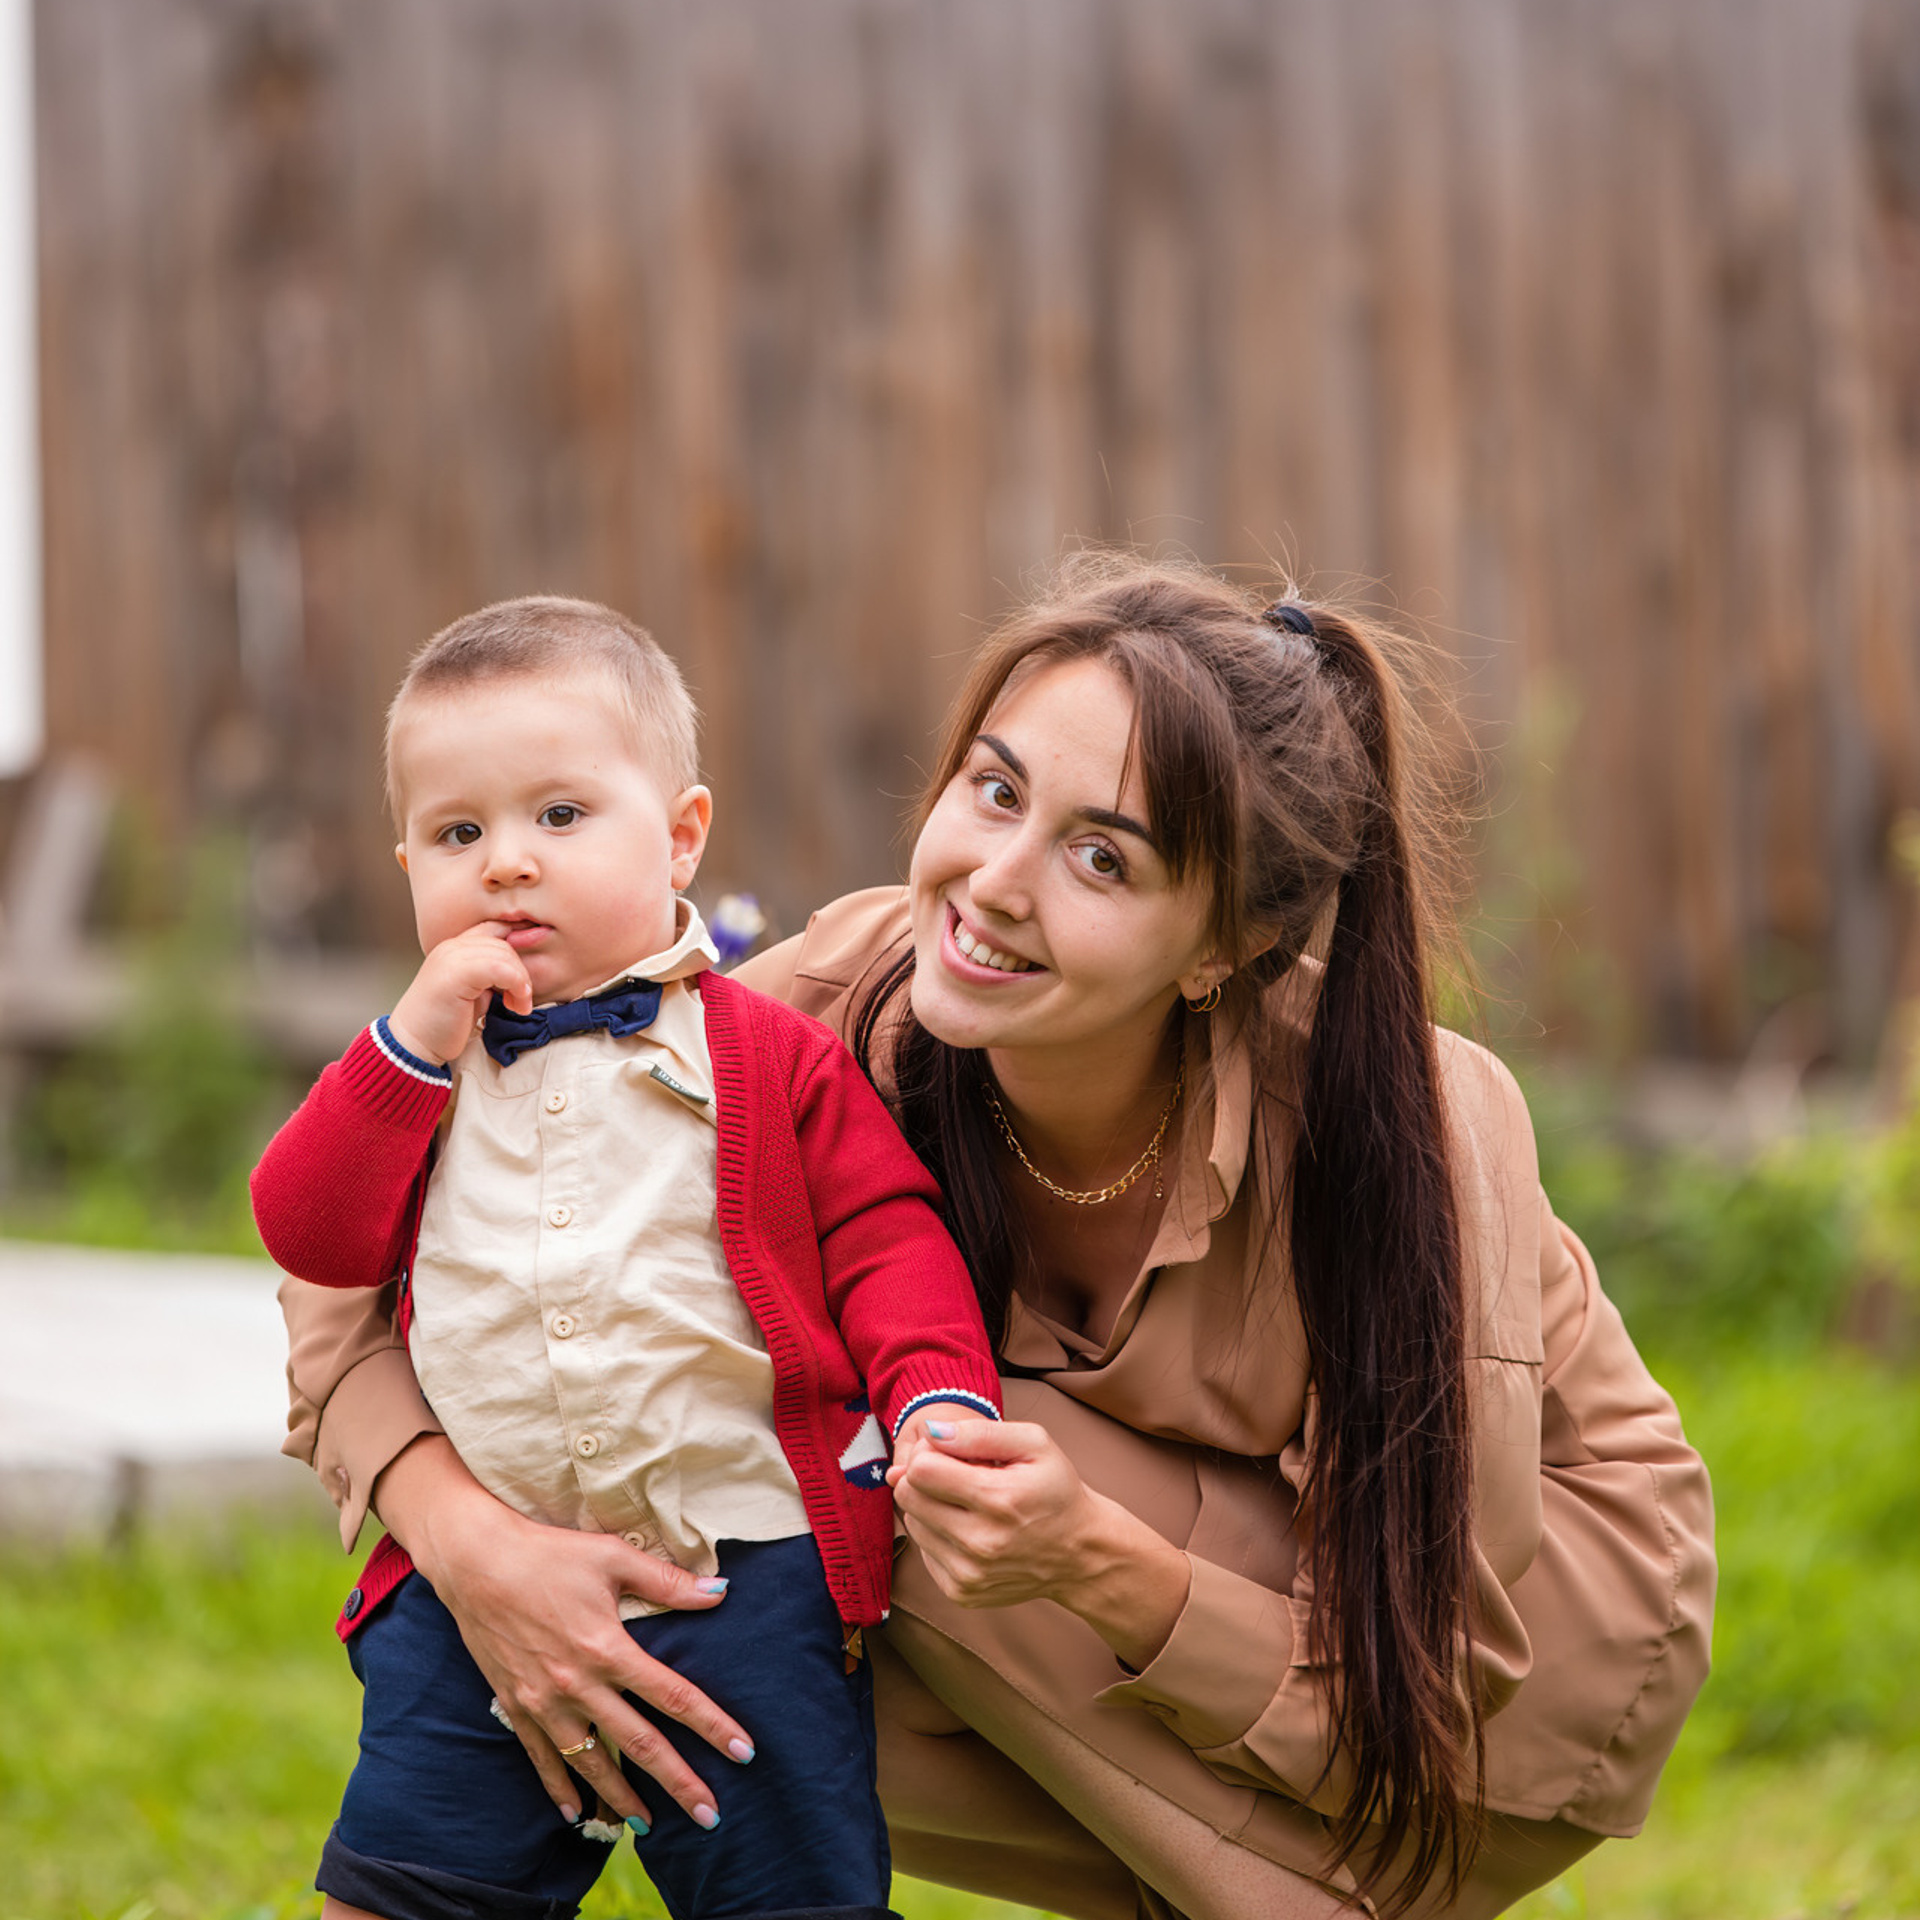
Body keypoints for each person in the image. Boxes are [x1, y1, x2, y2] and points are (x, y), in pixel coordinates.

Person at [277, 556, 1715, 1920]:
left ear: (1221, 948)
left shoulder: (1407, 1121)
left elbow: (1441, 1667)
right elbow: (352, 1275)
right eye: (996, 789)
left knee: (869, 1483)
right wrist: (473, 1547)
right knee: (777, 1552)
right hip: (1095, 1569)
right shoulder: (818, 1011)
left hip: (1494, 1659)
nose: (995, 883)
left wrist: (1094, 1560)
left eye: (1102, 857)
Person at [253, 596, 1005, 1920]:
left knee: (788, 1898)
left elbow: (886, 1236)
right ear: (407, 863)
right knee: (400, 1890)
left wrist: (936, 1394)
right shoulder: (415, 1076)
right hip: (472, 1590)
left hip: (744, 1571)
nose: (507, 865)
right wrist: (406, 1050)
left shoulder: (769, 1058)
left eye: (560, 815)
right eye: (458, 835)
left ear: (680, 836)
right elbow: (309, 1232)